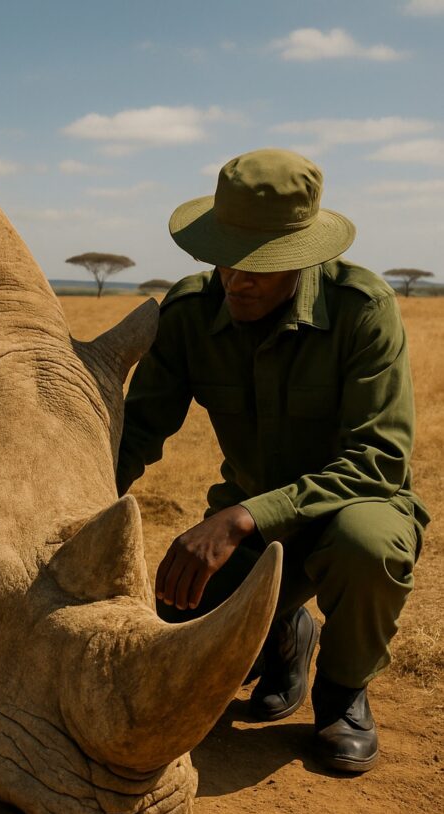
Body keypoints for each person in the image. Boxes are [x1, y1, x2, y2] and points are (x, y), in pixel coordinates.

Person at [116, 148, 429, 774]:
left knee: (366, 546)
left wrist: (240, 519)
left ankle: (343, 694)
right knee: (177, 615)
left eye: (262, 264)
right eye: (226, 255)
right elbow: (137, 432)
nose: (238, 278)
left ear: (305, 256)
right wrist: (67, 509)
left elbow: (378, 460)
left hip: (354, 510)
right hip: (250, 526)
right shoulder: (190, 313)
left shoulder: (361, 310)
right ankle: (285, 628)